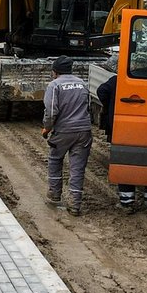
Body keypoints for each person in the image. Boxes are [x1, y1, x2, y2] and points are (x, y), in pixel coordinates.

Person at [97, 67, 147, 214]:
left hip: (125, 129)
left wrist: (111, 105)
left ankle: (127, 202)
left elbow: (101, 91)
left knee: (125, 162)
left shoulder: (118, 80)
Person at [41, 55, 93, 216]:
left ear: (55, 71)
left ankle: (55, 194)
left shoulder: (54, 86)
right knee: (78, 168)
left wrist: (46, 128)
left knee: (55, 160)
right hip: (84, 131)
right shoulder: (82, 84)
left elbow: (51, 111)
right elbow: (88, 107)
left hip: (63, 131)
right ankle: (75, 204)